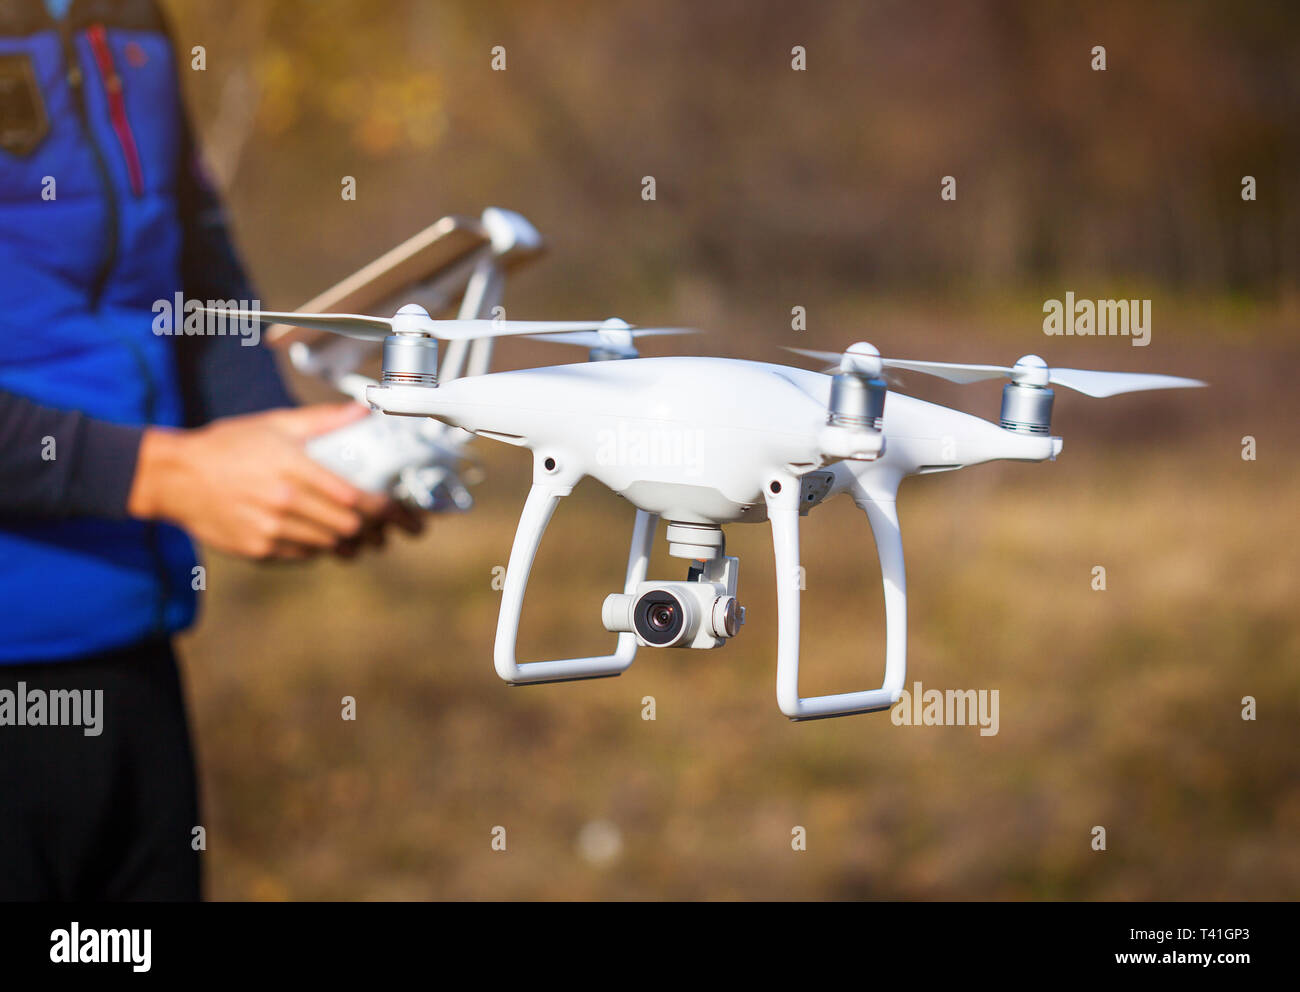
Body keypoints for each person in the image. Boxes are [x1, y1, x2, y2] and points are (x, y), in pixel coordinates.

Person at [0, 0, 418, 899]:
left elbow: (193, 267)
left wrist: (295, 451)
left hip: (128, 661)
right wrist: (165, 473)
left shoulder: (131, 18)